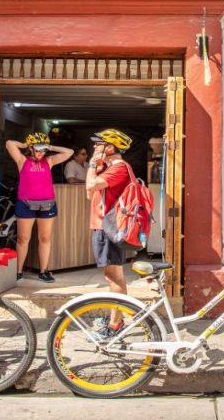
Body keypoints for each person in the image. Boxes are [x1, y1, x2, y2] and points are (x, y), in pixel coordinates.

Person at [6, 131, 73, 283]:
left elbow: (70, 152)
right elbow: (9, 143)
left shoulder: (48, 161)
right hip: (25, 203)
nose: (41, 152)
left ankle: (43, 271)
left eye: (44, 149)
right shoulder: (22, 160)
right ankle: (18, 272)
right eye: (38, 149)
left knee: (45, 238)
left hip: (47, 204)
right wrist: (25, 144)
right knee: (23, 239)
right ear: (31, 148)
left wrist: (49, 146)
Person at [85, 128, 134, 340]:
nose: (94, 147)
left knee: (113, 277)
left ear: (110, 147)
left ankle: (115, 325)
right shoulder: (109, 167)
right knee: (114, 276)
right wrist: (96, 166)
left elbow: (90, 185)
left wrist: (91, 165)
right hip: (103, 226)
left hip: (108, 227)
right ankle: (117, 319)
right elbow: (90, 194)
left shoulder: (119, 167)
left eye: (98, 143)